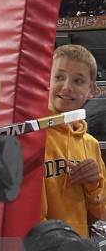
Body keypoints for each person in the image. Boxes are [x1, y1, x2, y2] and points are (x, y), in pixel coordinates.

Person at [41, 44, 106, 237]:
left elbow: (100, 217)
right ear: (47, 81)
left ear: (92, 90)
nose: (67, 87)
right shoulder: (29, 135)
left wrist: (94, 184)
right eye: (59, 77)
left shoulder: (91, 144)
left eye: (78, 81)